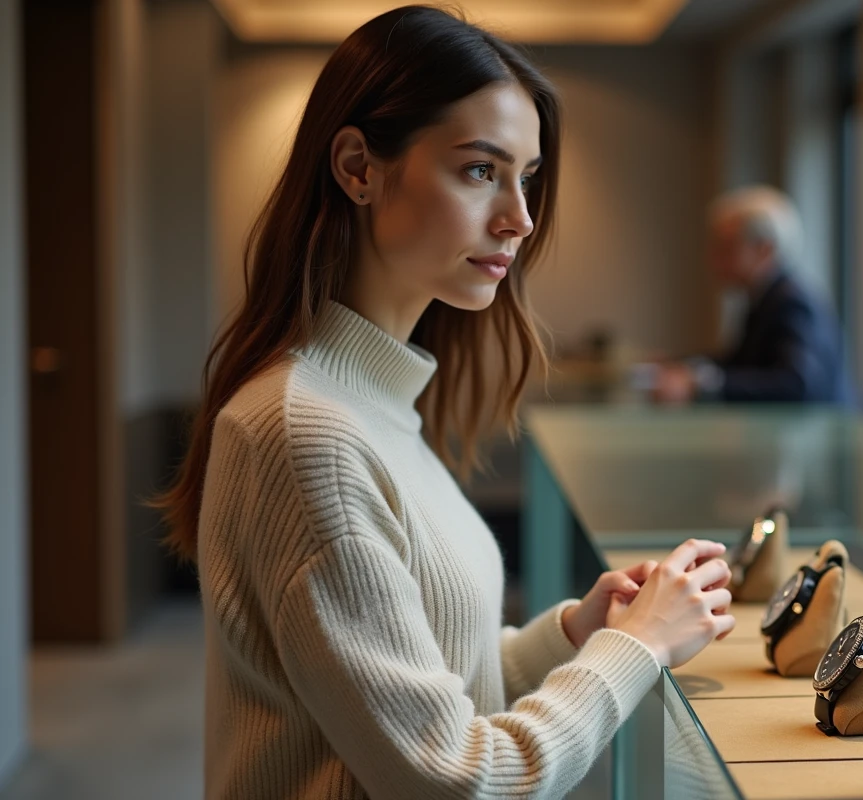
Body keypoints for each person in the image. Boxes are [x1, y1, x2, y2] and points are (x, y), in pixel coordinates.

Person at [153, 7, 735, 798]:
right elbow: (459, 780)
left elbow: (427, 681)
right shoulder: (305, 432)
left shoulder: (369, 404)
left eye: (525, 178)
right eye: (479, 170)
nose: (520, 219)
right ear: (358, 167)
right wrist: (636, 648)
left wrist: (576, 632)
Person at [653, 186, 858, 406]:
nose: (713, 257)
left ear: (765, 249)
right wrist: (682, 365)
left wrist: (701, 384)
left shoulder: (791, 302)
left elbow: (796, 383)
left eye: (726, 246)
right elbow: (741, 363)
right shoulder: (766, 298)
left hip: (824, 436)